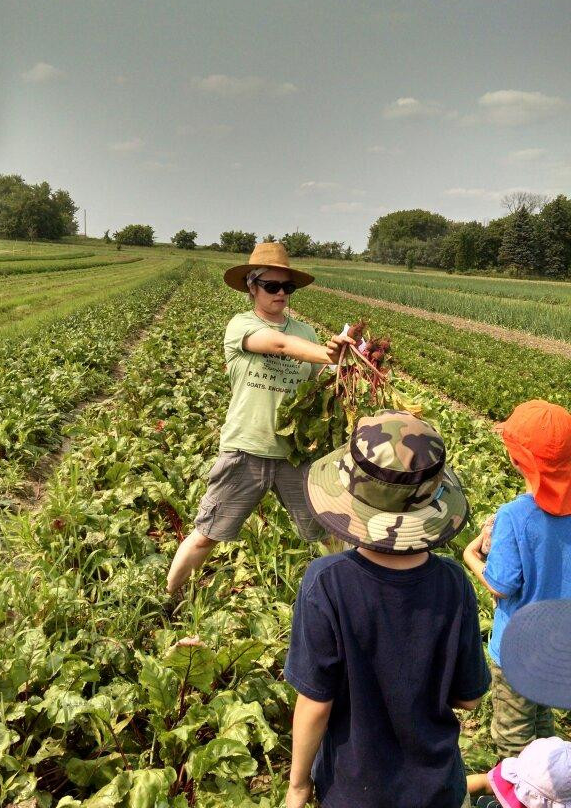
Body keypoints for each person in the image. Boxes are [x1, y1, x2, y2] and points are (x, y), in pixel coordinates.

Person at [283, 409, 490, 808]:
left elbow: (314, 702)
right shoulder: (453, 583)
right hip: (437, 789)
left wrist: (298, 785)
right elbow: (469, 699)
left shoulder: (327, 582)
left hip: (353, 789)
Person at [166, 241, 355, 595]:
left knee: (328, 530)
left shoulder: (306, 333)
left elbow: (319, 384)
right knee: (207, 535)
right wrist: (330, 353)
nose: (281, 293)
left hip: (294, 455)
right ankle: (169, 596)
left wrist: (346, 369)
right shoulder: (241, 325)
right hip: (246, 449)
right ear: (252, 286)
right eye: (272, 286)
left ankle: (344, 596)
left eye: (288, 287)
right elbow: (277, 345)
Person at [463, 400, 571, 758]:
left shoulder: (514, 515)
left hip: (519, 649)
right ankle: (551, 783)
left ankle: (525, 791)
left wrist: (472, 553)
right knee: (542, 724)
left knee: (513, 739)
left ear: (515, 459)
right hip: (558, 647)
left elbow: (501, 585)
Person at [468, 600, 571, 806]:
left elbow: (501, 584)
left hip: (514, 645)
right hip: (550, 642)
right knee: (540, 716)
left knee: (517, 727)